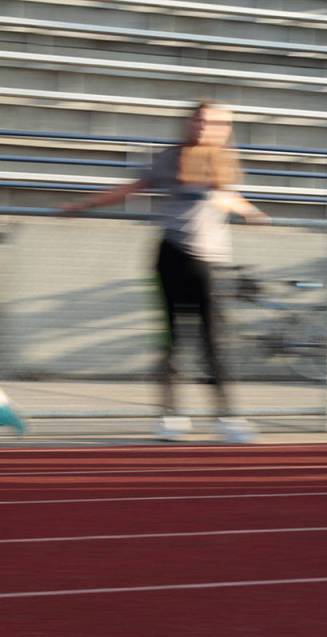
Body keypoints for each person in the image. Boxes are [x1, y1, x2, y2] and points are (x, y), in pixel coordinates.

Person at [60, 101, 265, 442]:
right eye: (199, 120)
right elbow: (134, 187)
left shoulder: (226, 159)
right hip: (170, 254)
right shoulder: (169, 157)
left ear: (225, 127)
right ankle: (171, 414)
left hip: (210, 261)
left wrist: (252, 212)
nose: (204, 126)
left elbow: (228, 197)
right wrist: (85, 204)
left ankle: (227, 416)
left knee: (213, 340)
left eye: (213, 122)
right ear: (189, 123)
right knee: (171, 338)